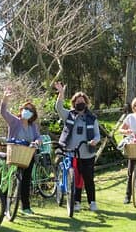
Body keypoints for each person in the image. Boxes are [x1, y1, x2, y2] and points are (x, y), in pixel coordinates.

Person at [54, 82, 100, 212]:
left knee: (88, 179)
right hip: (72, 153)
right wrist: (61, 93)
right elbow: (58, 107)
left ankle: (92, 202)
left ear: (86, 103)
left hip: (87, 154)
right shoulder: (69, 115)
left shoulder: (92, 118)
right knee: (76, 179)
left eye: (82, 101)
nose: (80, 103)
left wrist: (94, 141)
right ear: (74, 103)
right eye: (77, 101)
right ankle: (77, 202)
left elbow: (97, 135)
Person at [0, 87, 42, 215]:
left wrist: (38, 142)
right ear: (21, 110)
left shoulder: (33, 126)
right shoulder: (14, 121)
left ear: (33, 114)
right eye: (25, 108)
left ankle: (25, 207)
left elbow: (38, 138)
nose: (27, 111)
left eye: (30, 110)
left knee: (26, 181)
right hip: (14, 154)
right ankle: (5, 206)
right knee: (9, 180)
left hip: (27, 156)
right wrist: (5, 98)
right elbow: (3, 112)